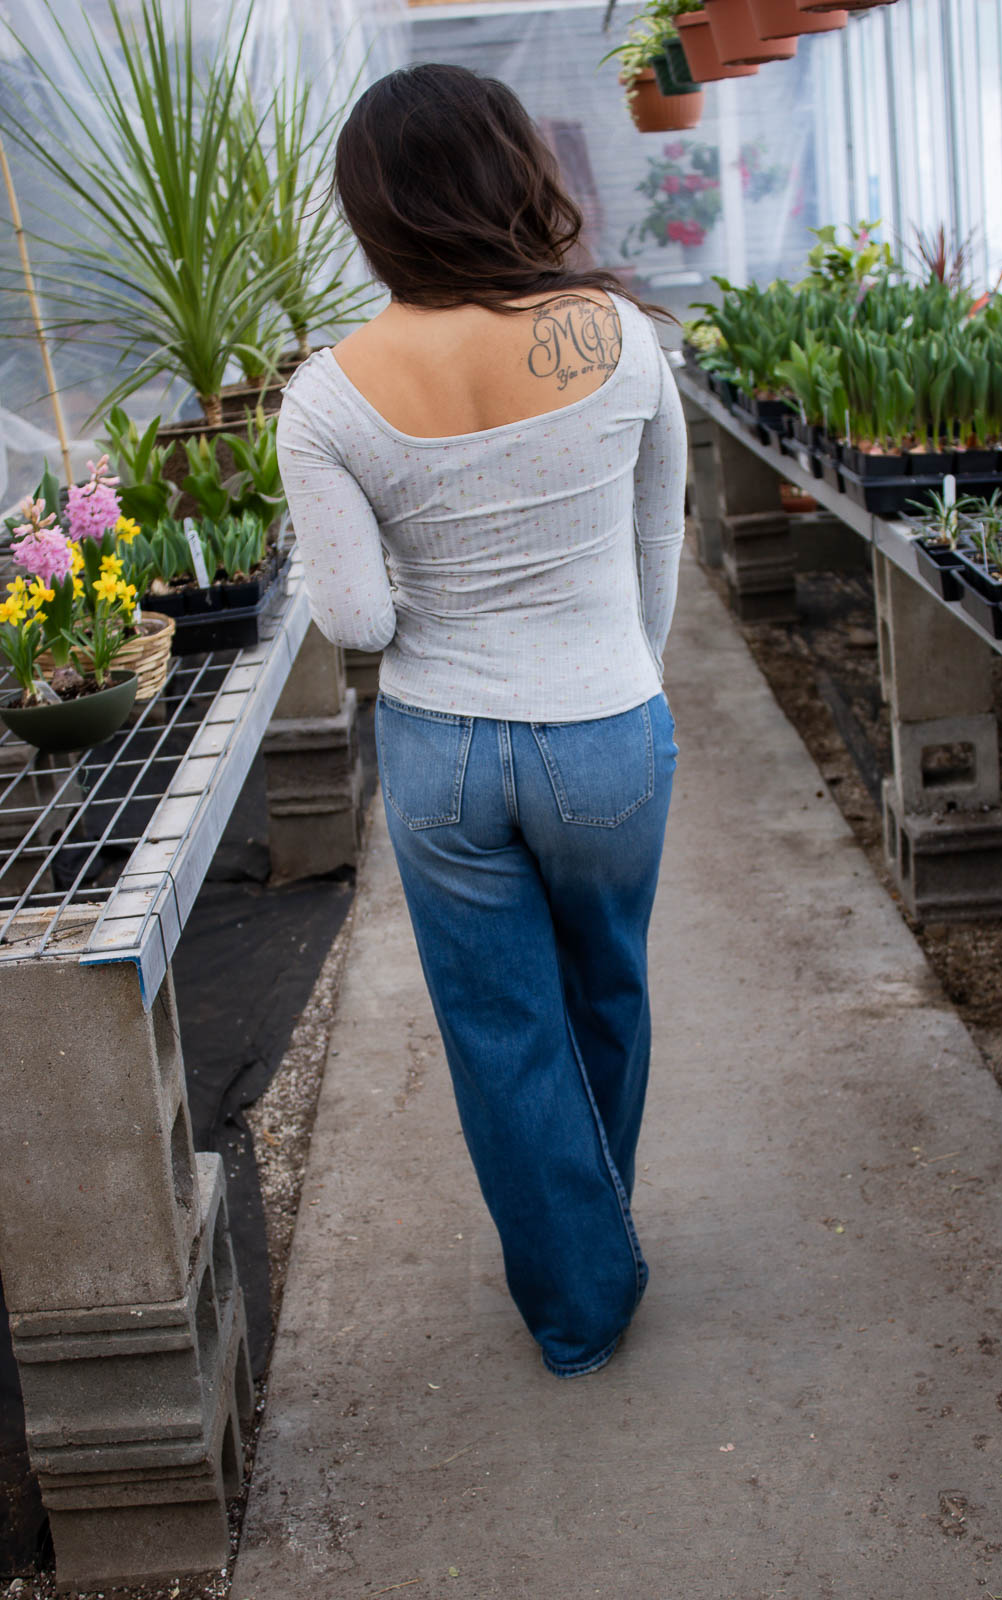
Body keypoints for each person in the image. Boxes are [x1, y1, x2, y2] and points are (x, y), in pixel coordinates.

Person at [277, 63, 687, 1377]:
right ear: (520, 169)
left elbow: (359, 626)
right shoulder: (621, 337)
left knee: (503, 1032)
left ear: (371, 211)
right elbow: (655, 539)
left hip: (446, 750)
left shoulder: (328, 395)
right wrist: (623, 674)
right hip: (609, 723)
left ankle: (577, 1305)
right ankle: (596, 1233)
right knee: (608, 989)